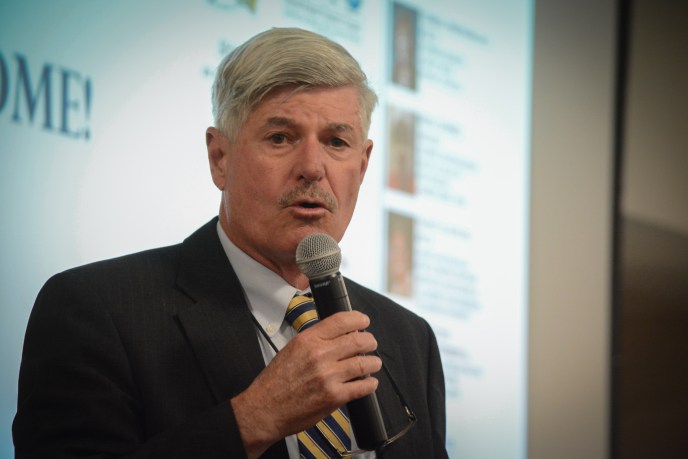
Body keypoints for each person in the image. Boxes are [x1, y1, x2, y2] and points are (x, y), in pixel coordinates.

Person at [13, 28, 447, 458]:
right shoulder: (96, 310)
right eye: (280, 137)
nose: (313, 167)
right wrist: (252, 419)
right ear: (219, 158)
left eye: (336, 142)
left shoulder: (409, 340)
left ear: (364, 164)